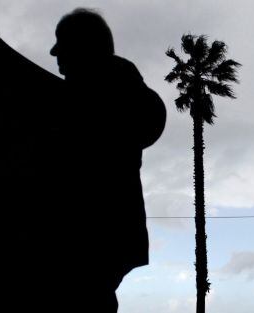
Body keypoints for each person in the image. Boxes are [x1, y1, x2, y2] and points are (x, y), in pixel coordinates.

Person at [47, 8, 166, 312]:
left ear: (83, 47)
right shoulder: (112, 93)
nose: (54, 53)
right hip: (105, 238)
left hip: (89, 239)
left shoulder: (101, 97)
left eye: (62, 43)